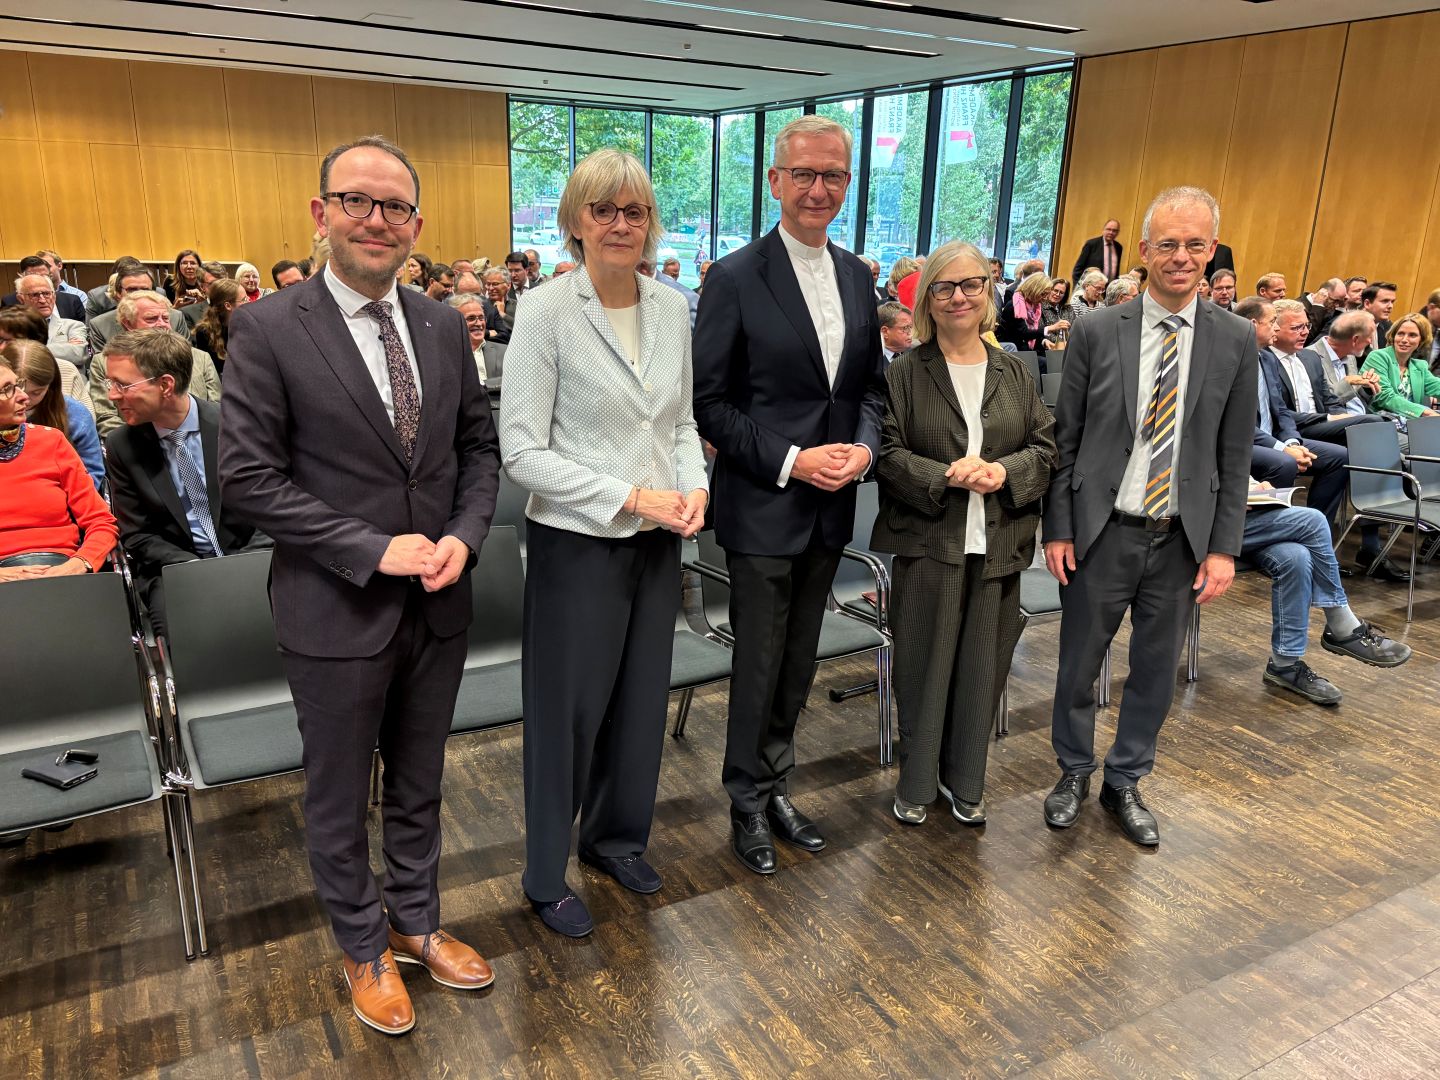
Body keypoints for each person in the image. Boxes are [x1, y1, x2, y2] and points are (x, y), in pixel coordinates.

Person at [219, 135, 502, 1035]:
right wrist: (374, 549)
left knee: (420, 779)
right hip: (335, 605)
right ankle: (362, 943)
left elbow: (477, 451)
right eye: (357, 201)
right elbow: (248, 481)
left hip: (439, 599)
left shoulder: (440, 325)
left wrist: (463, 537)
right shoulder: (269, 328)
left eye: (395, 207)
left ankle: (415, 920)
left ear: (416, 224)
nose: (376, 220)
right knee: (339, 794)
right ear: (322, 213)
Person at [498, 149, 708, 938]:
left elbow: (680, 423)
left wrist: (695, 488)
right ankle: (545, 875)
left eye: (635, 210)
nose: (621, 224)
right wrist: (629, 496)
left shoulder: (672, 307)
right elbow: (522, 453)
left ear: (651, 223)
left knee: (641, 702)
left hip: (658, 539)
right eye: (604, 210)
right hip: (577, 546)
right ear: (575, 221)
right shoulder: (547, 311)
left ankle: (615, 839)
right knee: (569, 717)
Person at [692, 114, 886, 876]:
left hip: (832, 505)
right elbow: (710, 404)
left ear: (848, 183)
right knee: (759, 662)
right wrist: (794, 461)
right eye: (802, 174)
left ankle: (776, 784)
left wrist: (864, 450)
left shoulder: (857, 276)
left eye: (832, 174)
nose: (817, 188)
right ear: (775, 181)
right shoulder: (735, 276)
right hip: (764, 502)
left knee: (800, 660)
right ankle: (744, 798)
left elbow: (870, 388)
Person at [1042, 186, 1255, 848]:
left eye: (1195, 244)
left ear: (1212, 250)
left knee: (1156, 672)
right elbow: (1065, 438)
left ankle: (1125, 779)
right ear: (1143, 250)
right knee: (1078, 665)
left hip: (1182, 540)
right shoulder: (1096, 329)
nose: (1181, 256)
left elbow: (1235, 451)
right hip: (1102, 531)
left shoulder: (1237, 338)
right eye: (1168, 244)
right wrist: (1059, 527)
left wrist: (1223, 548)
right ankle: (1074, 771)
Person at [870, 241, 1056, 826]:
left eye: (971, 284)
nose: (959, 297)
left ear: (987, 291)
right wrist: (945, 475)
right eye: (945, 287)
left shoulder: (1014, 372)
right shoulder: (905, 372)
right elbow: (887, 454)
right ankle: (917, 783)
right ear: (927, 298)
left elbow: (1045, 448)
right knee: (923, 670)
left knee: (983, 668)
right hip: (929, 541)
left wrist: (1004, 472)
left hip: (1000, 544)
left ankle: (966, 781)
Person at [102, 331, 263, 636]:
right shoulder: (122, 445)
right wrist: (197, 570)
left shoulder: (236, 424)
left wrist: (244, 565)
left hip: (253, 556)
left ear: (165, 385)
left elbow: (273, 505)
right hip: (174, 568)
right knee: (190, 643)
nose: (112, 395)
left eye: (122, 385)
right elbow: (138, 534)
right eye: (110, 383)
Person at [1241, 485, 1409, 706]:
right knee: (1314, 520)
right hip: (1209, 524)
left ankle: (1284, 665)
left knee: (1296, 558)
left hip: (1240, 519)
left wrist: (1253, 484)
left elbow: (1226, 471)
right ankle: (1342, 627)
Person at [0, 350, 117, 581]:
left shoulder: (51, 441)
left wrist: (80, 563)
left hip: (64, 572)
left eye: (18, 384)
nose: (24, 397)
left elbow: (101, 521)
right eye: (7, 390)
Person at [90, 291, 223, 437]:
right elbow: (107, 417)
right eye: (151, 319)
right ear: (127, 324)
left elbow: (216, 405)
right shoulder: (106, 362)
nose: (162, 324)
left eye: (165, 318)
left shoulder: (199, 357)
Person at [5, 340, 103, 489]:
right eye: (14, 390)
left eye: (36, 392)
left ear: (50, 386)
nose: (25, 398)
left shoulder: (75, 415)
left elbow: (92, 473)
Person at [0, 307, 89, 408]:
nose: (1, 347)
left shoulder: (66, 370)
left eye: (6, 341)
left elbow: (85, 415)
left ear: (35, 343)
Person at [1363, 313, 1440, 420]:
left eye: (1412, 335)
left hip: (1411, 423)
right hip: (1381, 421)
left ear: (1421, 340)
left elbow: (1437, 387)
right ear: (1393, 336)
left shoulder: (1419, 366)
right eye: (1400, 334)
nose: (1404, 339)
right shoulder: (1378, 357)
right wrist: (1426, 412)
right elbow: (1385, 397)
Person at [13, 272, 87, 369]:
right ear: (21, 299)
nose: (42, 300)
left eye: (46, 294)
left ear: (54, 296)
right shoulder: (12, 329)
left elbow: (78, 354)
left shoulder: (73, 326)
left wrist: (25, 349)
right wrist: (65, 347)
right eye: (35, 295)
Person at [191, 279, 247, 376]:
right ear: (228, 306)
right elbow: (212, 372)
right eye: (244, 300)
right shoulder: (205, 332)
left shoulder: (247, 324)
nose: (249, 302)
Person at [997, 272, 1059, 357]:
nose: (1045, 298)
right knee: (1046, 362)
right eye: (1043, 294)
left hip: (1025, 349)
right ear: (1033, 290)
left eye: (1046, 295)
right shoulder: (1016, 305)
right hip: (1012, 352)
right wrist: (1049, 328)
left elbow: (1033, 332)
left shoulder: (1035, 306)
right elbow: (1024, 333)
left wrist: (1044, 341)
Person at [444, 293, 503, 382]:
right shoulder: (444, 355)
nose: (479, 323)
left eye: (481, 318)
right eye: (471, 318)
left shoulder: (504, 352)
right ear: (454, 322)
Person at [1072, 219, 1123, 283]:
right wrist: (1078, 286)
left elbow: (1116, 270)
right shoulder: (1091, 244)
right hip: (1092, 285)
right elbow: (1078, 269)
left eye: (1114, 230)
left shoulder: (1118, 247)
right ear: (1103, 230)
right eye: (1108, 229)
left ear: (1118, 233)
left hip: (1109, 286)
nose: (1111, 232)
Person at [1043, 278, 1072, 345]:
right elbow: (1042, 332)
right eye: (1055, 290)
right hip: (1049, 346)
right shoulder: (1041, 307)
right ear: (1049, 290)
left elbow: (1074, 330)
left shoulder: (1068, 308)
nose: (1058, 294)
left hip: (1069, 346)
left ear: (1064, 295)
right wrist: (1062, 343)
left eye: (1061, 293)